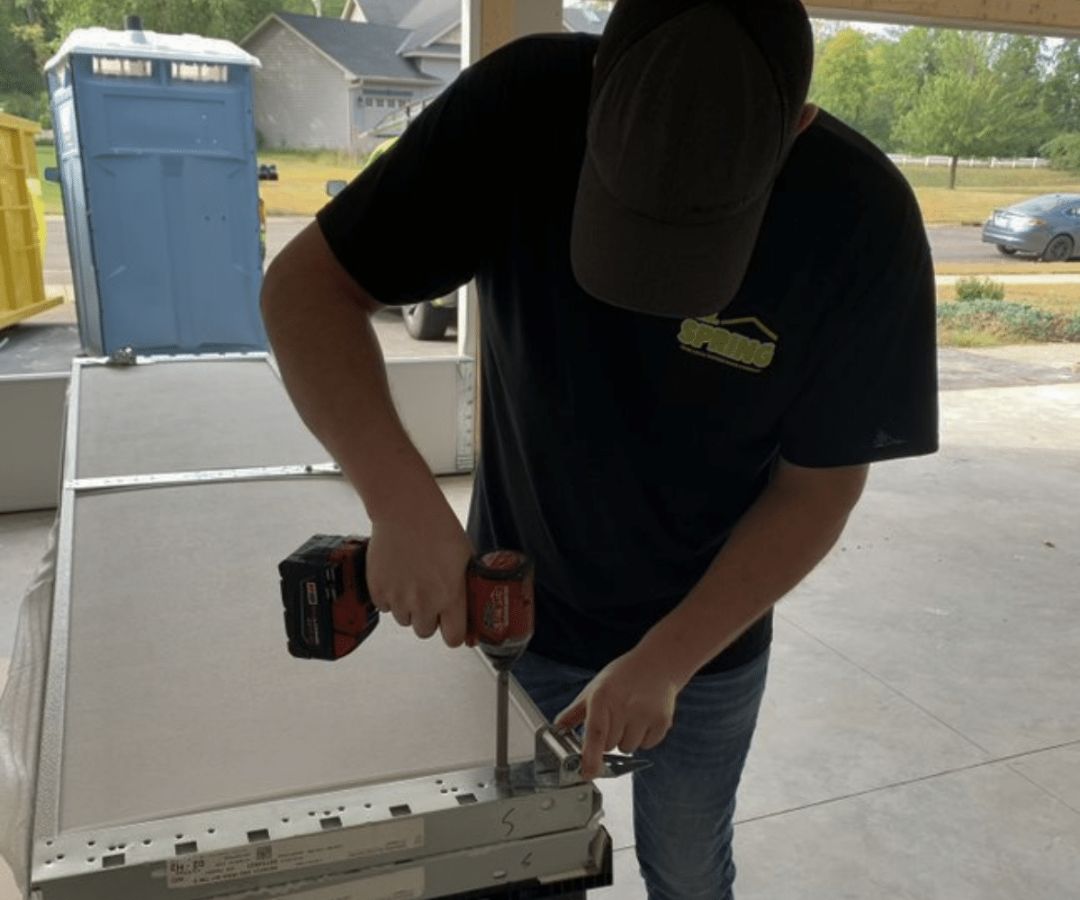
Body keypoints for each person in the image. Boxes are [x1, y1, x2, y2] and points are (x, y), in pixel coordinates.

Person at [260, 1, 939, 897]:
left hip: (707, 640)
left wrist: (668, 659)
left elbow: (818, 490)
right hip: (520, 610)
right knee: (518, 865)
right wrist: (402, 505)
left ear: (796, 127)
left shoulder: (860, 218)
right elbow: (308, 289)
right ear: (594, 85)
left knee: (690, 865)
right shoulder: (518, 107)